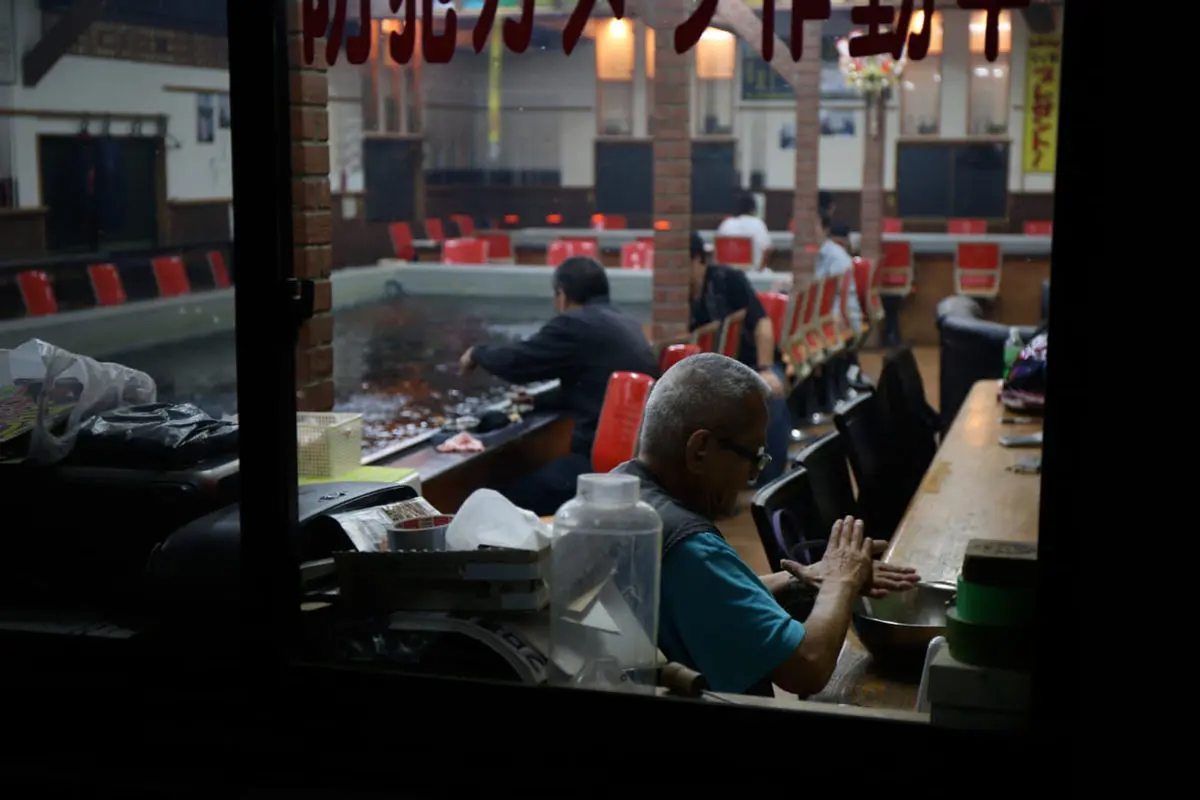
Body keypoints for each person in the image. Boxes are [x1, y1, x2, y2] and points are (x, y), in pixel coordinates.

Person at [612, 353, 920, 697]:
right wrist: (842, 582)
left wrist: (800, 580)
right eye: (754, 457)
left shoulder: (618, 494)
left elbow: (709, 597)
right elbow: (808, 666)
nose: (750, 477)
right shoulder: (689, 548)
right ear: (699, 449)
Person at [459, 256, 658, 516]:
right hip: (637, 462)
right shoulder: (626, 322)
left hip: (599, 468)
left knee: (500, 501)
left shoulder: (574, 324)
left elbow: (518, 363)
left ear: (562, 295)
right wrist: (538, 401)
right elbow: (591, 386)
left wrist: (477, 353)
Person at [688, 231, 788, 486]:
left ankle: (771, 482)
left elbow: (762, 324)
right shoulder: (673, 297)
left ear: (699, 259)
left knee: (769, 397)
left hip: (751, 364)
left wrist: (765, 368)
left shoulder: (728, 279)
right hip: (704, 378)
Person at [716, 192, 772, 270]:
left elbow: (718, 251)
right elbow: (767, 251)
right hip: (754, 274)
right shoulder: (759, 224)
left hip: (726, 274)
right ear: (754, 209)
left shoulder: (726, 224)